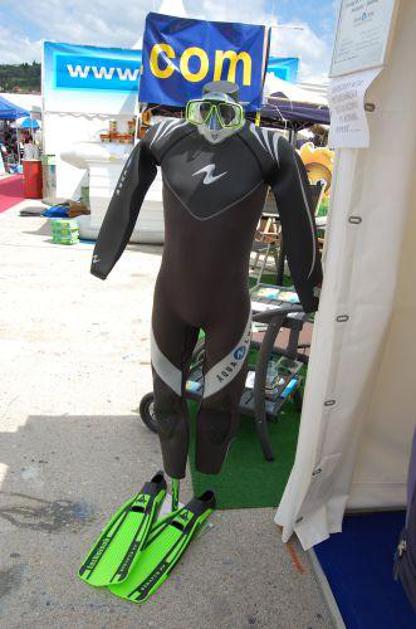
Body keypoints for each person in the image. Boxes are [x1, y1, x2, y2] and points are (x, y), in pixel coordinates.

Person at [91, 81, 322, 480]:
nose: (213, 119)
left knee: (219, 409)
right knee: (166, 401)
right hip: (171, 298)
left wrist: (311, 289)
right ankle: (172, 478)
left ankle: (209, 485)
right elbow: (127, 193)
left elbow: (299, 221)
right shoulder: (164, 136)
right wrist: (104, 257)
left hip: (228, 306)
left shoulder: (269, 147)